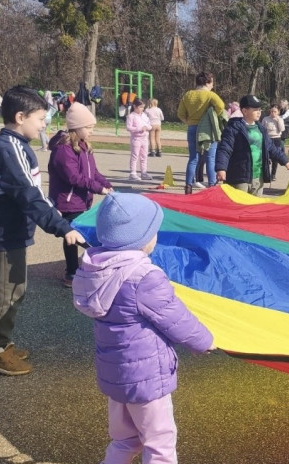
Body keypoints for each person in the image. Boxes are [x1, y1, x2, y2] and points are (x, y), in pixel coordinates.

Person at [72, 193, 214, 464]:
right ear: (137, 238)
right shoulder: (144, 277)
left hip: (116, 375)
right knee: (160, 443)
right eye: (154, 233)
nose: (156, 238)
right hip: (147, 379)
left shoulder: (94, 269)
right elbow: (176, 318)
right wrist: (204, 341)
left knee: (125, 440)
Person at [0, 86, 85, 376]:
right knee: (7, 291)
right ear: (20, 117)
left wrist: (58, 217)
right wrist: (62, 228)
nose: (44, 124)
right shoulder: (10, 148)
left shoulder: (16, 146)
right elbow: (28, 194)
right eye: (39, 119)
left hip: (8, 231)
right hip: (2, 233)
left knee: (12, 289)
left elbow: (33, 192)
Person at [48, 103, 113, 287]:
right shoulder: (64, 149)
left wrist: (107, 184)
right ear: (77, 127)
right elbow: (73, 177)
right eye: (89, 127)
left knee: (73, 237)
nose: (92, 131)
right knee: (84, 238)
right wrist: (98, 189)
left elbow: (94, 173)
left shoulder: (84, 146)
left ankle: (72, 271)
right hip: (68, 202)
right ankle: (80, 271)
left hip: (81, 201)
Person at [215, 95, 289, 196]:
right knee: (239, 208)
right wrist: (221, 168)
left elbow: (271, 147)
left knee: (255, 209)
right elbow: (225, 149)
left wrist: (284, 160)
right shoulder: (233, 128)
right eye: (256, 109)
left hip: (258, 178)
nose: (259, 112)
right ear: (245, 111)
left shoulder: (261, 128)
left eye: (260, 109)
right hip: (240, 178)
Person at [177, 72, 225, 195]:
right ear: (207, 82)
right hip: (208, 129)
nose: (213, 85)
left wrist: (189, 121)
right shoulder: (210, 95)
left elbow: (180, 113)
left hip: (192, 128)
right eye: (212, 82)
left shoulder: (188, 95)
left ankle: (188, 186)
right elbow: (221, 106)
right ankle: (212, 186)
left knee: (193, 158)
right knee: (210, 158)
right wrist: (213, 115)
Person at [126, 98, 152, 181]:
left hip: (145, 138)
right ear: (135, 106)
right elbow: (129, 127)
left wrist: (146, 127)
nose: (142, 109)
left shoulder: (144, 115)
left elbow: (149, 125)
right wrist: (139, 128)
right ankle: (133, 173)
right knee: (135, 155)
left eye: (143, 107)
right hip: (136, 139)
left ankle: (143, 172)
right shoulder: (131, 116)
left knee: (144, 156)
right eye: (140, 107)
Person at [261, 105, 286, 181]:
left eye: (275, 111)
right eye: (271, 111)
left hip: (276, 139)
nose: (273, 113)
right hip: (268, 138)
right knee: (266, 156)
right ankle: (266, 173)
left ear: (278, 112)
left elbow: (282, 129)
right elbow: (262, 129)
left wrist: (277, 120)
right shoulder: (266, 119)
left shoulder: (280, 119)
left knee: (275, 158)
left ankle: (273, 174)